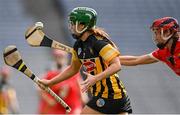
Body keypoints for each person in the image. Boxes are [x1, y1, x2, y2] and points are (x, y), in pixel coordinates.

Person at [38, 7, 132, 114]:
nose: (71, 27)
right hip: (102, 95)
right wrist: (50, 82)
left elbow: (116, 65)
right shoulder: (78, 46)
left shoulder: (99, 43)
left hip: (113, 95)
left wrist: (95, 78)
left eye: (74, 24)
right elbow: (73, 69)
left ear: (83, 25)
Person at [37, 49, 83, 114]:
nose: (59, 59)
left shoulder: (73, 71)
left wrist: (83, 99)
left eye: (61, 56)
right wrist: (50, 101)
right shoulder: (50, 73)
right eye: (57, 56)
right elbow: (39, 88)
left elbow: (81, 87)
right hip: (58, 108)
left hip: (73, 106)